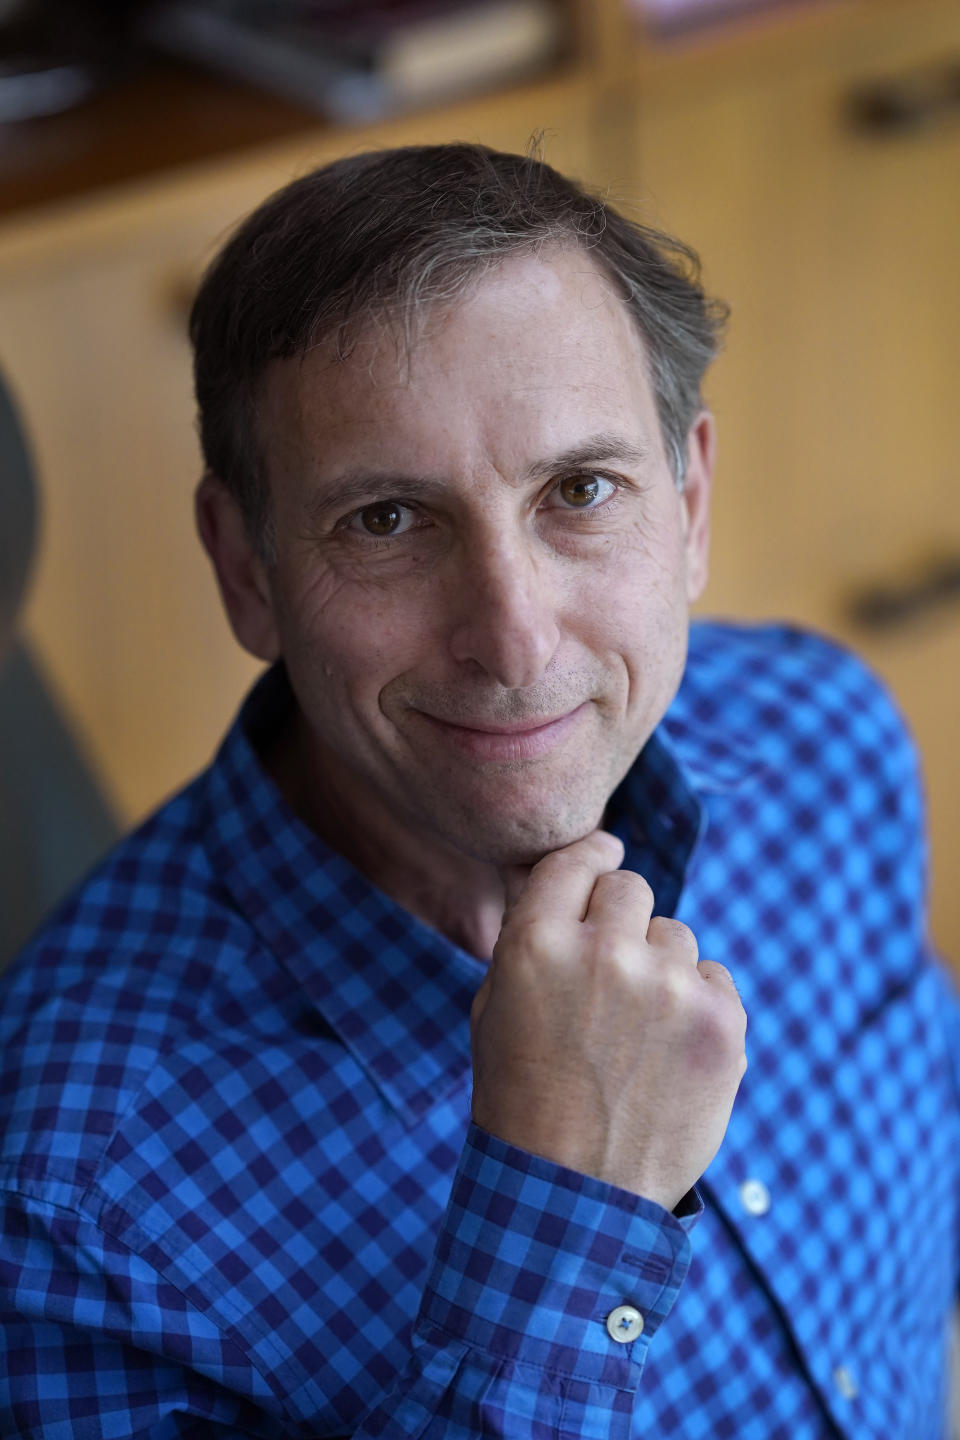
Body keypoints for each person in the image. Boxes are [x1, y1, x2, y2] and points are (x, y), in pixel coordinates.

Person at [0, 143, 957, 1439]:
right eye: (388, 521)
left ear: (688, 502)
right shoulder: (63, 1201)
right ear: (246, 571)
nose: (513, 640)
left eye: (581, 491)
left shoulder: (820, 743)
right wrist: (565, 1210)